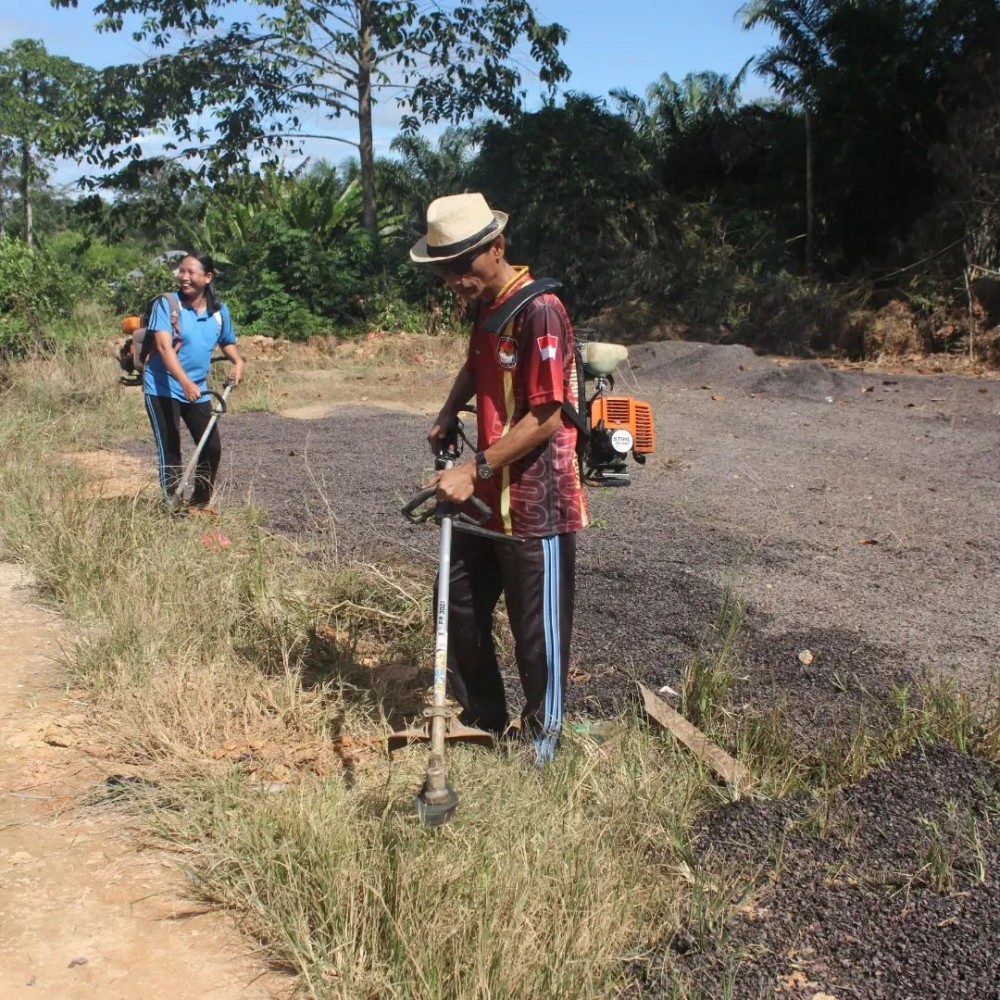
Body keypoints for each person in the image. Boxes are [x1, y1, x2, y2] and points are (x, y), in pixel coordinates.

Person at [410, 192, 588, 762]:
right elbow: (474, 364)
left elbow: (549, 414)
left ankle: (544, 742)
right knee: (456, 602)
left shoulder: (542, 309)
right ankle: (484, 718)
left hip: (536, 498)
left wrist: (474, 465)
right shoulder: (487, 308)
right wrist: (446, 413)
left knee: (536, 633)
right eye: (445, 271)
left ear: (497, 247)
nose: (454, 280)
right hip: (484, 494)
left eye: (462, 266)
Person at [142, 251, 245, 513]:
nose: (183, 277)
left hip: (196, 389)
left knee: (211, 447)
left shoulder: (220, 311)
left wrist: (238, 362)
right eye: (182, 271)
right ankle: (172, 507)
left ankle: (199, 504)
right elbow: (164, 349)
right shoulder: (167, 305)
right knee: (171, 447)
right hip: (162, 387)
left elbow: (227, 340)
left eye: (191, 272)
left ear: (208, 277)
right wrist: (185, 382)